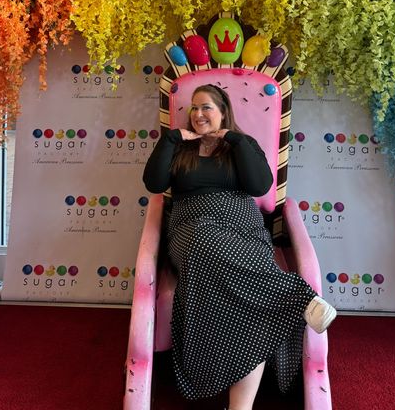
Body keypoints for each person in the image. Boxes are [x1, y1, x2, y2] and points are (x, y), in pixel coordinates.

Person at [143, 84, 336, 410]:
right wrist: (173, 138)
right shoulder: (179, 148)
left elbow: (260, 185)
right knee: (204, 238)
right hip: (190, 232)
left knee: (243, 301)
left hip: (242, 233)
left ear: (222, 112)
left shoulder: (242, 145)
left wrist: (232, 138)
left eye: (206, 107)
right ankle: (298, 297)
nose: (198, 114)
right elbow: (154, 183)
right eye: (193, 108)